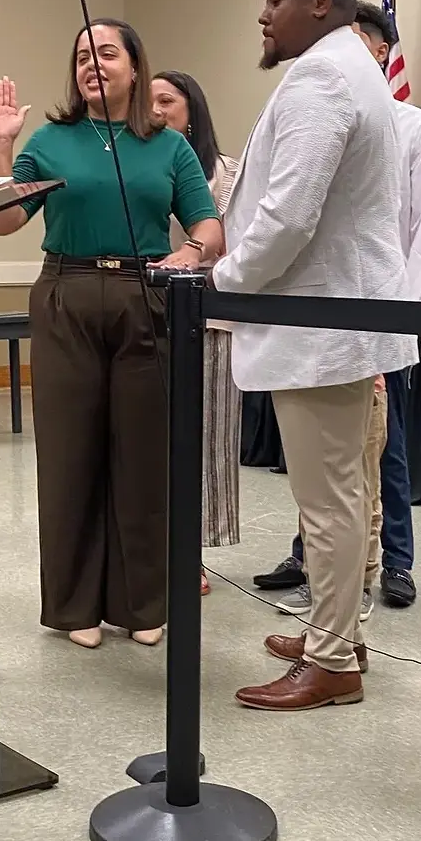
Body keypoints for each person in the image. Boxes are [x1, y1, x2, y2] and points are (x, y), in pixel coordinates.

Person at [213, 0, 413, 712]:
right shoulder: (352, 67)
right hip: (339, 324)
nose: (263, 13)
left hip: (320, 329)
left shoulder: (324, 75)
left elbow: (288, 215)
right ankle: (338, 632)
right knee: (340, 495)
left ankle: (332, 660)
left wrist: (222, 279)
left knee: (327, 502)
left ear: (322, 2)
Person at [0, 22, 222, 650]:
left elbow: (208, 227)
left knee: (143, 457)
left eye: (107, 53)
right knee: (69, 456)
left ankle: (142, 603)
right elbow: (5, 222)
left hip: (144, 298)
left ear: (136, 67)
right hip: (66, 295)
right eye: (83, 55)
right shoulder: (51, 140)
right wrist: (3, 147)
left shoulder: (168, 147)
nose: (93, 64)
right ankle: (73, 606)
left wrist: (189, 253)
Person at [260, 0, 421, 620]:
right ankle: (322, 593)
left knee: (375, 457)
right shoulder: (339, 103)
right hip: (331, 314)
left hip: (375, 313)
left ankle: (392, 565)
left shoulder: (415, 126)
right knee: (333, 473)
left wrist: (405, 319)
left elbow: (418, 233)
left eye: (368, 42)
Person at [151, 71, 241, 596]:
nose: (158, 110)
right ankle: (154, 545)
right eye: (152, 101)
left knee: (207, 439)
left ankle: (194, 554)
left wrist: (195, 251)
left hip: (210, 318)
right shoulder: (138, 164)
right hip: (148, 316)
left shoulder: (226, 174)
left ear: (193, 110)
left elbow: (233, 239)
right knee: (152, 439)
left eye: (169, 101)